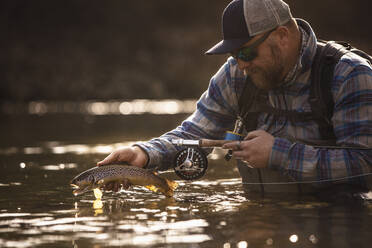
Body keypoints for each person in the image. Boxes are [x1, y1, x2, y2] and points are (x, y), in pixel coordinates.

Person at [98, 0, 372, 195]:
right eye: (233, 55)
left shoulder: (349, 75)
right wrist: (143, 154)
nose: (240, 64)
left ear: (282, 36)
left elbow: (365, 165)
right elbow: (195, 131)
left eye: (246, 53)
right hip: (259, 220)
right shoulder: (236, 75)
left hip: (339, 220)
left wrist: (280, 154)